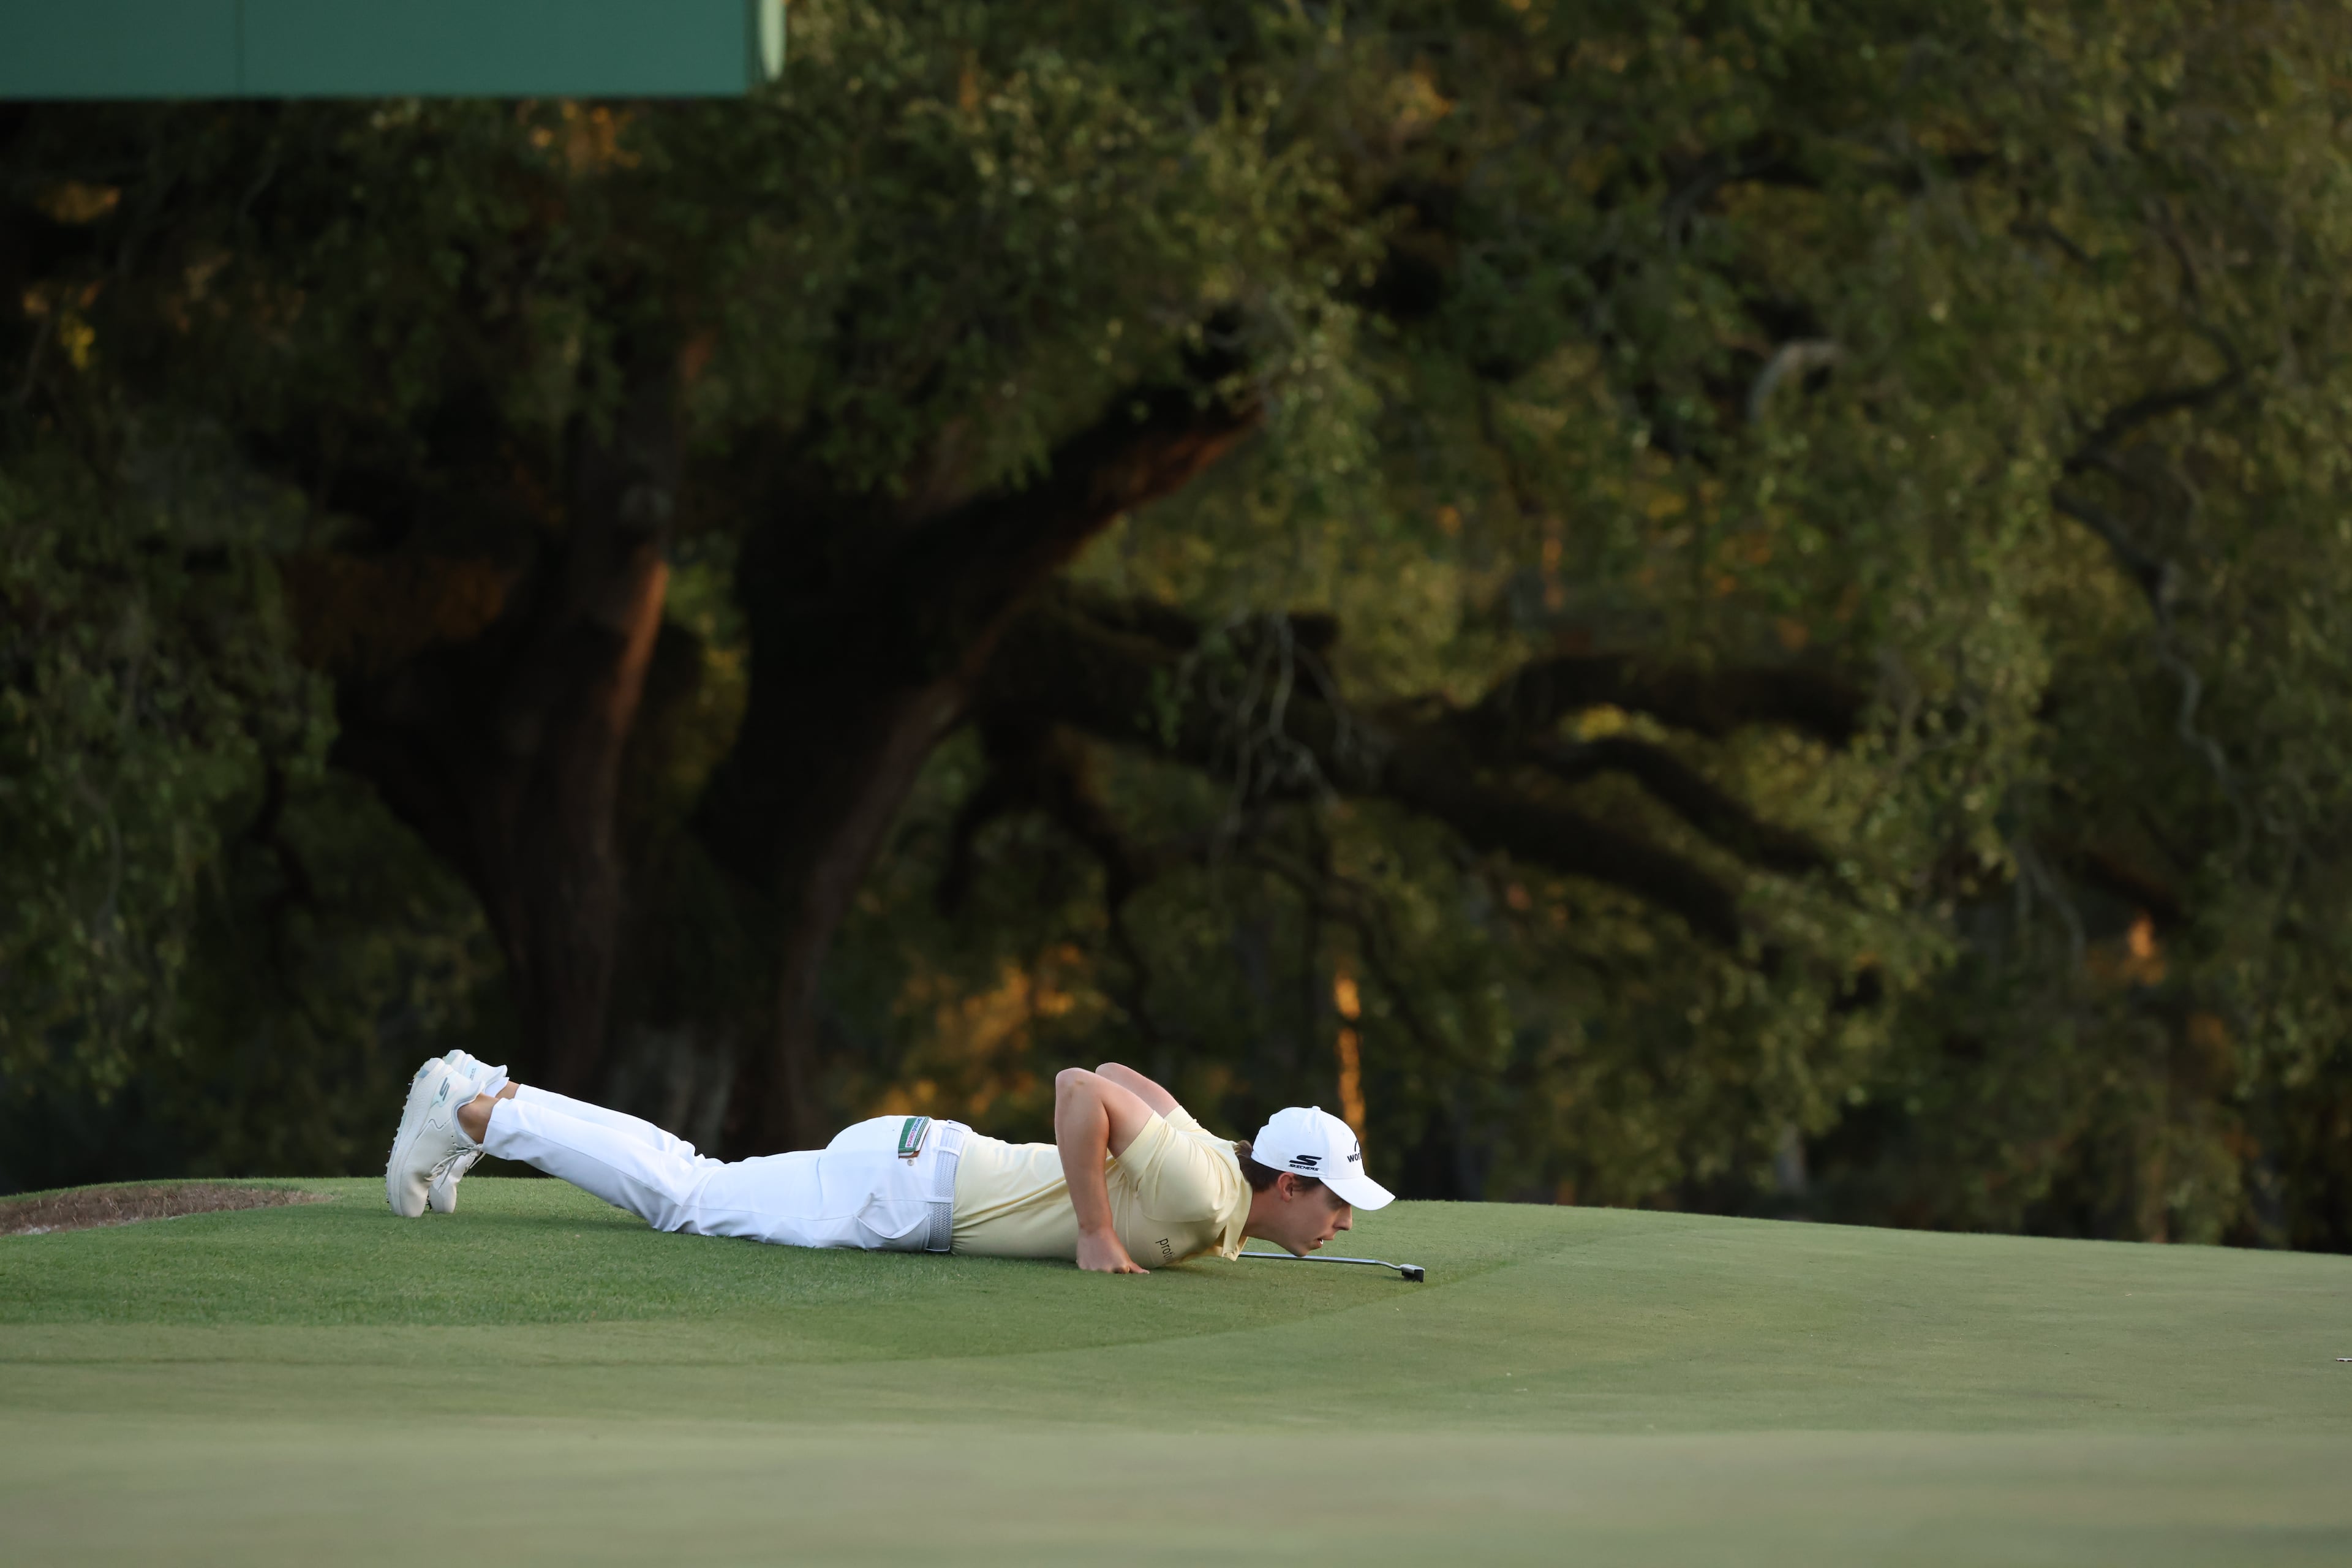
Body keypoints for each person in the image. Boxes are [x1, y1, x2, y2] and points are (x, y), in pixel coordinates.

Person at [383, 1050, 1392, 1272]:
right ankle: (472, 1114)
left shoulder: (1219, 1179)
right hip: (904, 1192)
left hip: (917, 1167)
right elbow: (1083, 1088)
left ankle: (487, 1091)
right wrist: (1092, 1230)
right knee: (685, 1195)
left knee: (693, 1171)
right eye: (1336, 1203)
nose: (1342, 1222)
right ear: (1288, 1181)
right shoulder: (1205, 1182)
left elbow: (1121, 1073)